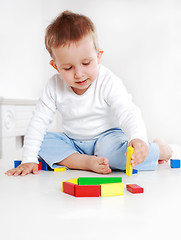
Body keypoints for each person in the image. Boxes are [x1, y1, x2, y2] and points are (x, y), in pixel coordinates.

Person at [5, 10, 172, 176]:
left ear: (98, 56)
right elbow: (38, 122)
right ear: (56, 66)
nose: (79, 74)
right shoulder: (54, 86)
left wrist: (138, 138)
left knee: (118, 154)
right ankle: (84, 162)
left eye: (86, 63)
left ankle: (159, 149)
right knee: (41, 142)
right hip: (73, 142)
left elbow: (127, 112)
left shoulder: (107, 81)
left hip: (108, 139)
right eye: (68, 68)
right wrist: (29, 159)